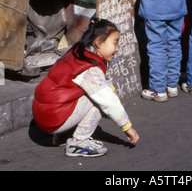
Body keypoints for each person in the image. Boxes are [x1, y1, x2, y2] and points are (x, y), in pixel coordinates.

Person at [32, 17, 139, 157]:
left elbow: (101, 81)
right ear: (98, 42)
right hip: (52, 117)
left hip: (45, 112)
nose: (117, 49)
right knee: (99, 100)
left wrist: (112, 91)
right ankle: (78, 142)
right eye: (115, 43)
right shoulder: (90, 68)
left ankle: (63, 135)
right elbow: (108, 100)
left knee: (96, 93)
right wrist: (127, 127)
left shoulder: (81, 52)